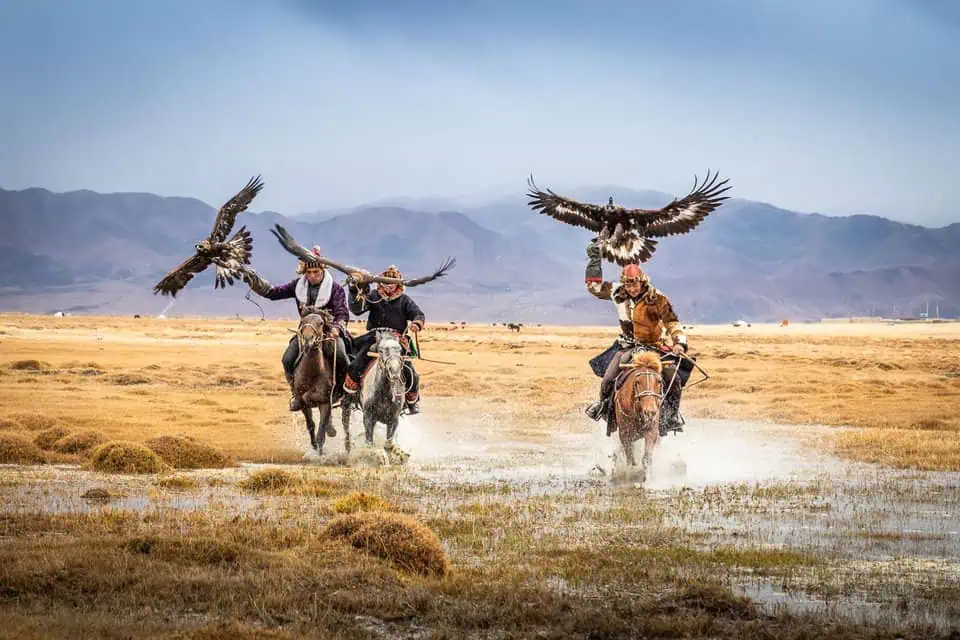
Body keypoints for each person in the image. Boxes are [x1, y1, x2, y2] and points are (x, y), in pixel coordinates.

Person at [582, 239, 692, 436]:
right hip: (627, 346)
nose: (632, 288)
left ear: (642, 281)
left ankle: (672, 415)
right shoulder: (617, 291)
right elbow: (594, 288)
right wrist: (594, 262)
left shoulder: (657, 297)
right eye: (628, 285)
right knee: (608, 379)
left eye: (635, 284)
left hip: (655, 347)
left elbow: (672, 322)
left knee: (673, 379)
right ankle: (602, 407)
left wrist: (679, 344)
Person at [242, 246, 351, 417]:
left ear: (322, 270)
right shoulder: (297, 286)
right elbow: (273, 292)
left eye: (316, 272)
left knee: (342, 356)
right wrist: (254, 281)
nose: (312, 276)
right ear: (304, 272)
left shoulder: (335, 289)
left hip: (329, 333)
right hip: (306, 333)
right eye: (309, 272)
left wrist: (337, 328)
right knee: (287, 359)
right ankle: (297, 395)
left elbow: (342, 313)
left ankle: (345, 393)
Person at [343, 265, 425, 415]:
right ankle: (349, 396)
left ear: (398, 284)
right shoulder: (373, 296)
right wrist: (354, 290)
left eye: (392, 282)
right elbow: (357, 309)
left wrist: (416, 323)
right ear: (380, 282)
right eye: (386, 282)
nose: (388, 285)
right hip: (375, 337)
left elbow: (418, 314)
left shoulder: (404, 300)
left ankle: (412, 401)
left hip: (396, 340)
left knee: (408, 369)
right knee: (357, 363)